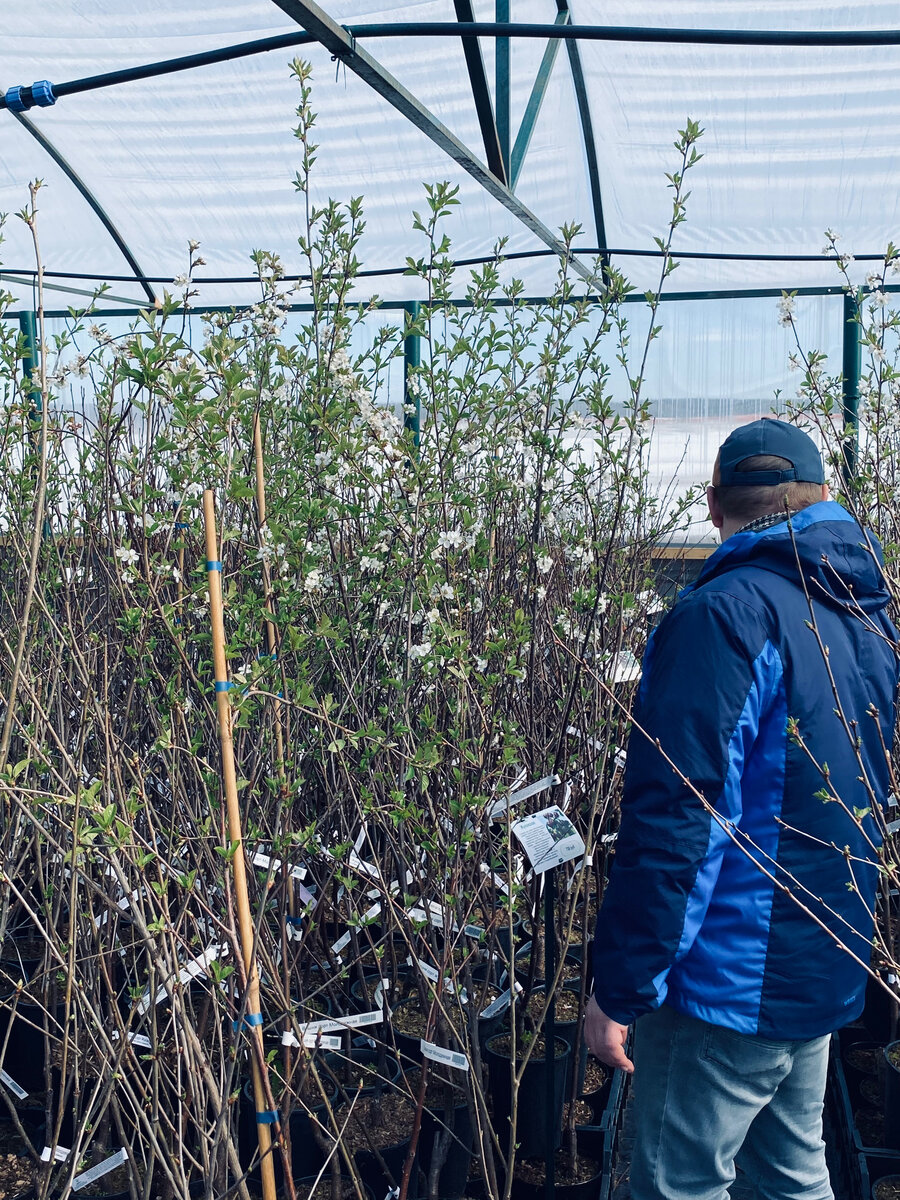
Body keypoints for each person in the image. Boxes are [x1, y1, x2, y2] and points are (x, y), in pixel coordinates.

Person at [584, 418, 899, 1200]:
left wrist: (622, 987)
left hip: (726, 986)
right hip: (820, 965)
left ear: (714, 504)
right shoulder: (863, 619)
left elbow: (681, 823)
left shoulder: (725, 616)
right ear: (824, 499)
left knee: (679, 1182)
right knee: (791, 1174)